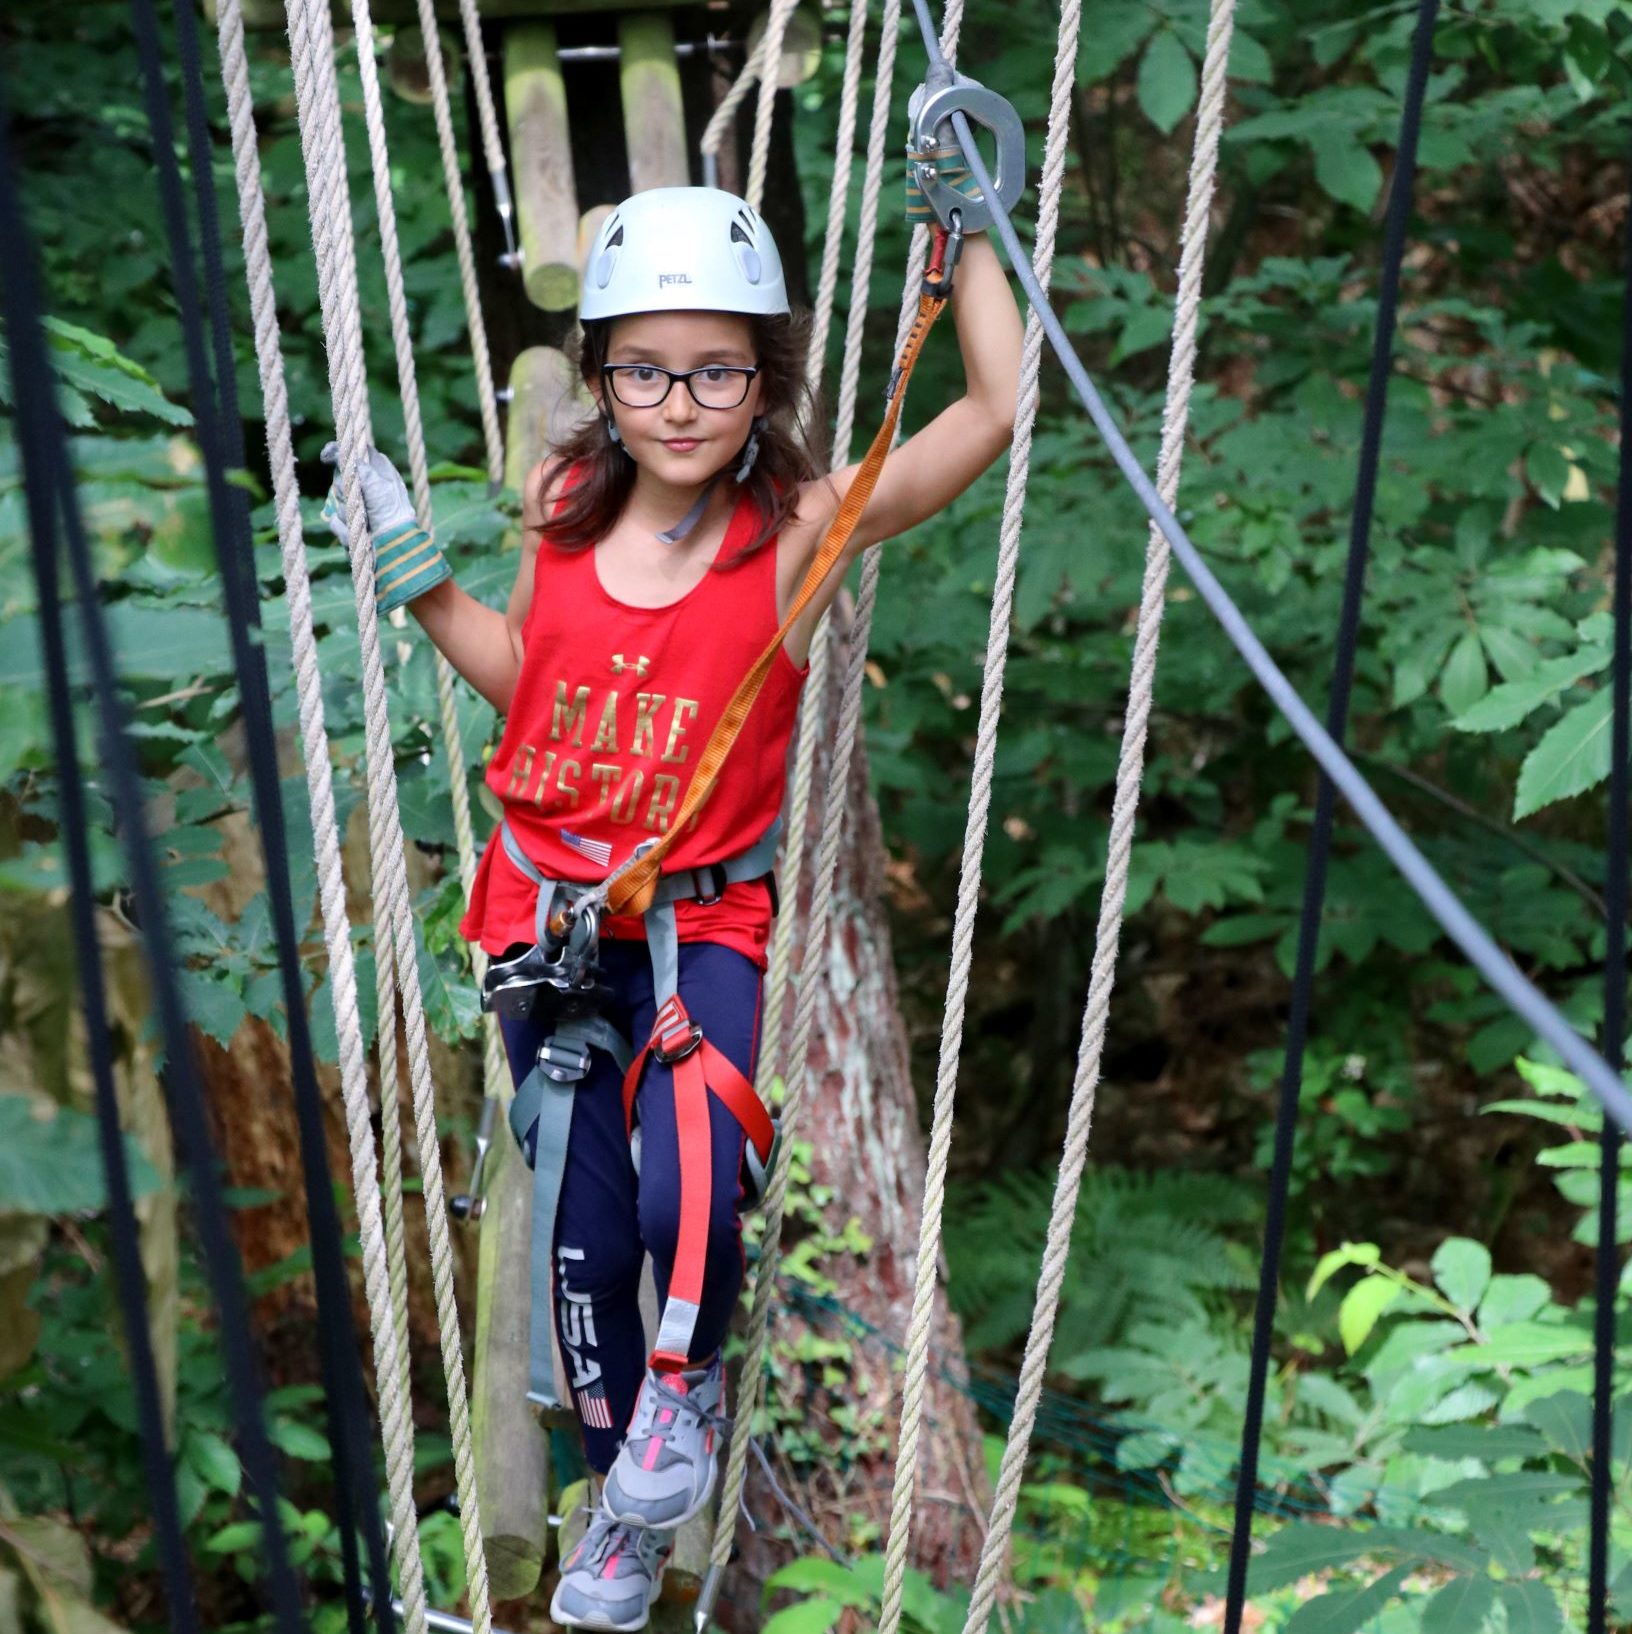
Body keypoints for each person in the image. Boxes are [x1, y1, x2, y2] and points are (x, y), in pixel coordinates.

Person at [328, 177, 1021, 1629]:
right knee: (579, 1241)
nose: (683, 403)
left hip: (701, 922)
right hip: (545, 923)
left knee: (683, 1170)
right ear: (599, 381)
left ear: (765, 383)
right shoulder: (563, 514)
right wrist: (417, 580)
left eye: (719, 371)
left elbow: (991, 412)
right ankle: (620, 1532)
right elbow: (541, 705)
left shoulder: (799, 532)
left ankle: (681, 1399)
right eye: (646, 370)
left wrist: (971, 239)